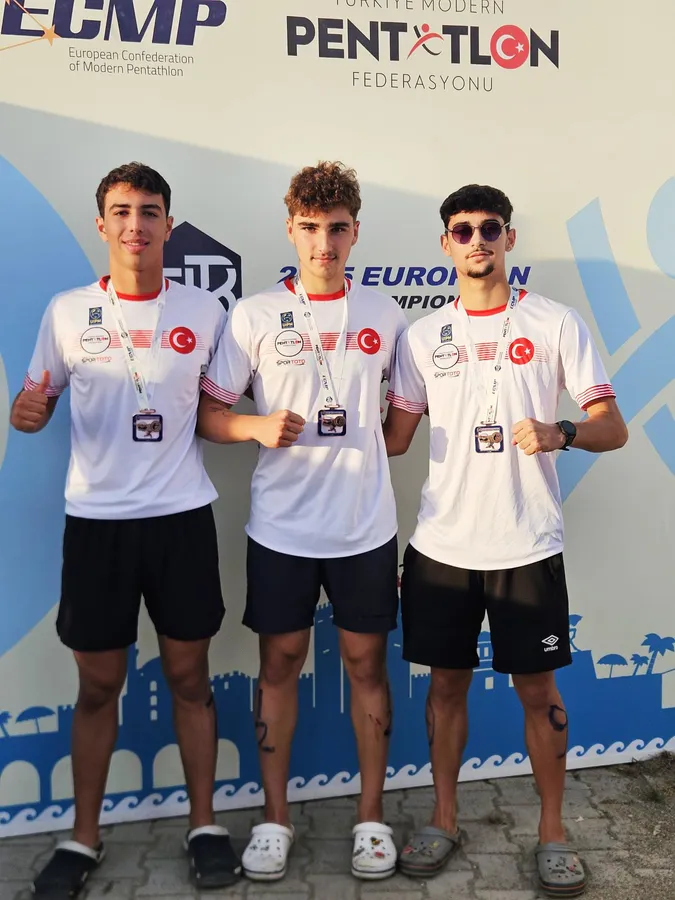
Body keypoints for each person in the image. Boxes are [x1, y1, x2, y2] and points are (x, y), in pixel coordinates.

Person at [383, 184, 628, 897]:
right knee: (445, 686)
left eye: (489, 228)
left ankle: (552, 833)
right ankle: (444, 820)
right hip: (441, 549)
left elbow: (612, 427)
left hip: (526, 545)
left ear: (508, 238)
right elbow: (393, 439)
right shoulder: (421, 337)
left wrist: (563, 431)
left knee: (537, 689)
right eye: (462, 230)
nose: (477, 240)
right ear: (446, 244)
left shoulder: (555, 322)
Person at [10, 163, 240, 894]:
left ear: (168, 223)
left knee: (189, 678)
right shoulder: (67, 312)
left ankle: (204, 826)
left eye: (148, 211)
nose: (135, 224)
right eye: (121, 211)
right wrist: (26, 412)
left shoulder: (206, 311)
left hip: (180, 521)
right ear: (102, 223)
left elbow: (217, 410)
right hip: (98, 525)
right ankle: (83, 839)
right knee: (98, 686)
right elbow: (34, 399)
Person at [197, 161, 408, 882]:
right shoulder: (254, 315)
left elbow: (400, 423)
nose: (324, 243)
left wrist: (365, 449)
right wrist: (253, 426)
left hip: (363, 527)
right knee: (279, 664)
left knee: (365, 666)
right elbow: (210, 415)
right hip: (281, 530)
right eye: (311, 228)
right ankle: (274, 820)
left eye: (337, 229)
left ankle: (371, 819)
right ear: (290, 229)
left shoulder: (384, 314)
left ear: (356, 232)